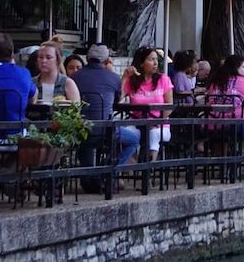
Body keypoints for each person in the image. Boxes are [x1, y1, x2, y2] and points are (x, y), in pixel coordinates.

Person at [71, 44, 141, 182]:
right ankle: (108, 168)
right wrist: (122, 77)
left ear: (88, 58)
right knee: (134, 140)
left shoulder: (75, 77)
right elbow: (117, 100)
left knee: (87, 174)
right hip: (105, 131)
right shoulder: (113, 78)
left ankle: (92, 176)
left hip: (80, 130)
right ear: (107, 60)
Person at [121, 47, 174, 160]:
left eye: (156, 59)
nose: (155, 63)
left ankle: (150, 168)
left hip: (159, 124)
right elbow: (118, 98)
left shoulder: (163, 79)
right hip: (136, 122)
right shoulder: (133, 81)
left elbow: (169, 106)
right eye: (151, 59)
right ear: (141, 63)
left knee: (153, 134)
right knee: (125, 134)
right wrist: (125, 78)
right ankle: (131, 168)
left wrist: (155, 122)